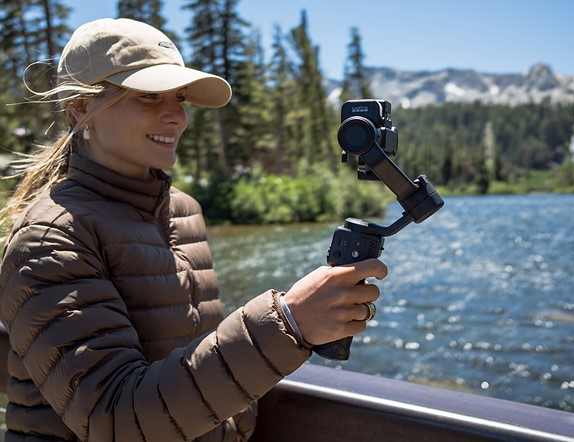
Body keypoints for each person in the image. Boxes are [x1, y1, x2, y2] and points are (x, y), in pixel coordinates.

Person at [0, 18, 387, 442]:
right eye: (149, 97)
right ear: (80, 107)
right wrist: (289, 323)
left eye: (180, 97)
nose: (177, 117)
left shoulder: (184, 211)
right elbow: (112, 416)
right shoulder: (50, 238)